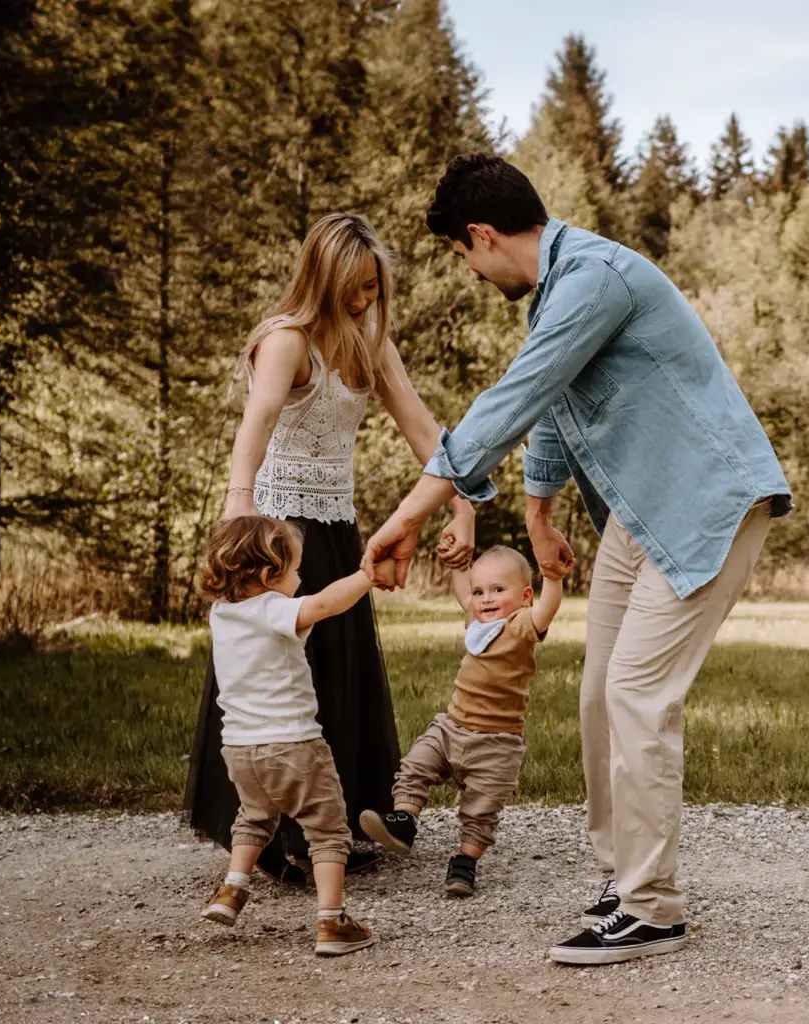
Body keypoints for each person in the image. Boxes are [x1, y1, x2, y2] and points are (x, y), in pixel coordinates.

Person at [362, 154, 793, 965]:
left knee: (637, 694)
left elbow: (516, 396)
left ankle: (652, 908)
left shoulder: (594, 278)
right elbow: (556, 405)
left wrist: (408, 515)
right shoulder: (560, 293)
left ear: (481, 236)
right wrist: (538, 514)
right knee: (599, 696)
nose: (471, 271)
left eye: (462, 254)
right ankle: (624, 880)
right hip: (640, 514)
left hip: (705, 504)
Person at [186, 213, 475, 884]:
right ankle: (272, 834)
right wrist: (238, 507)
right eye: (354, 287)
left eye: (373, 287)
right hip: (277, 529)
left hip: (337, 525)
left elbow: (423, 429)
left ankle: (332, 826)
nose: (365, 300)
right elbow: (257, 423)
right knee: (282, 674)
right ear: (322, 278)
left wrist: (461, 503)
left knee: (338, 674)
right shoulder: (286, 340)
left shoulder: (373, 343)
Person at [196, 515, 394, 956]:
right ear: (270, 573)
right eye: (295, 569)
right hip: (293, 744)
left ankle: (232, 888)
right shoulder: (273, 608)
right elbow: (323, 605)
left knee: (254, 816)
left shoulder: (221, 613)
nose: (301, 578)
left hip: (240, 749)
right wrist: (367, 576)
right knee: (328, 830)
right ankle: (332, 922)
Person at [359, 544, 564, 897]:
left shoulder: (520, 624)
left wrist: (553, 577)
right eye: (479, 592)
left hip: (497, 743)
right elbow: (461, 588)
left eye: (498, 590)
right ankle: (404, 822)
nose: (486, 599)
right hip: (450, 727)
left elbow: (548, 608)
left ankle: (465, 862)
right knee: (414, 766)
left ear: (525, 597)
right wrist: (458, 561)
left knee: (481, 810)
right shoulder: (476, 622)